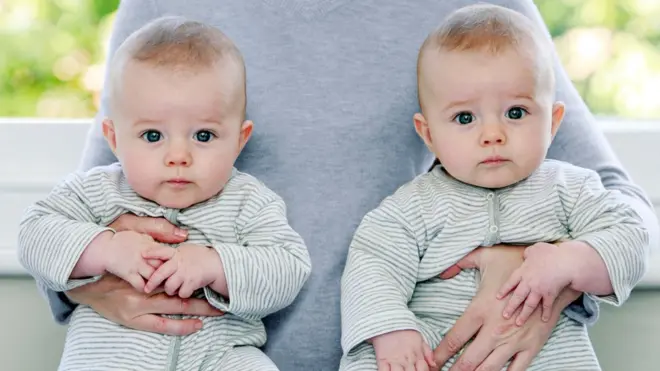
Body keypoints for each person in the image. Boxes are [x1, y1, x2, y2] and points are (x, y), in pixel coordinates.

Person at [37, 1, 658, 370]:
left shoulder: (485, 12)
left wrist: (541, 275)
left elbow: (620, 204)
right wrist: (97, 279)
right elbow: (92, 198)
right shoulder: (159, 7)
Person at [339, 5, 649, 371]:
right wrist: (391, 330)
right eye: (465, 118)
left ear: (553, 122)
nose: (493, 135)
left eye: (516, 113)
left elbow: (631, 234)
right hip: (432, 356)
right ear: (429, 135)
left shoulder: (573, 189)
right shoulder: (412, 208)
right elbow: (372, 265)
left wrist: (570, 260)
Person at [19, 16, 311, 371]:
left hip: (218, 356)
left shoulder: (249, 201)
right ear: (114, 139)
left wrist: (214, 264)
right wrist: (105, 248)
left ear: (239, 139)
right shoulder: (96, 191)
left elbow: (288, 268)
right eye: (153, 136)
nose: (178, 157)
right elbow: (33, 234)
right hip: (111, 357)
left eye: (203, 136)